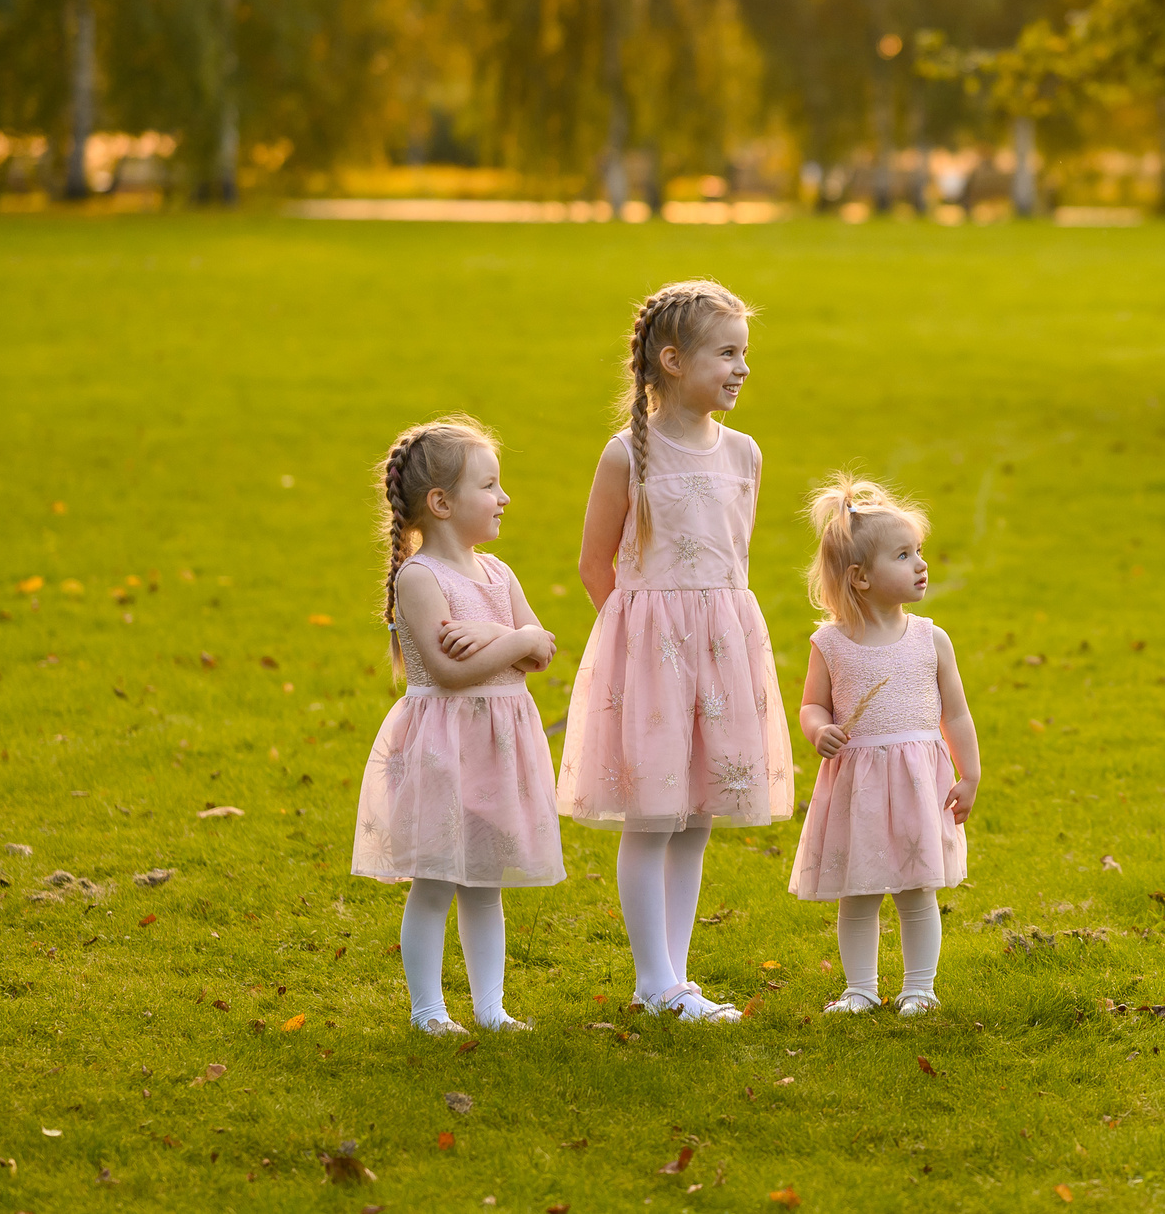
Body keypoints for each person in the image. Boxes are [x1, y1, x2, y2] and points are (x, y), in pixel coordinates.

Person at [555, 279, 795, 1024]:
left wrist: (712, 640)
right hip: (651, 658)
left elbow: (732, 562)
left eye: (744, 354)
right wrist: (640, 644)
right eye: (726, 354)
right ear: (671, 360)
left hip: (721, 652)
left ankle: (673, 980)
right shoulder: (628, 455)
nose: (741, 368)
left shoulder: (745, 454)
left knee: (696, 815)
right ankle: (653, 978)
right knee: (653, 815)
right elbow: (597, 566)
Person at [351, 415, 566, 1037]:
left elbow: (540, 648)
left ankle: (491, 1008)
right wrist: (518, 641)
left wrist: (504, 635)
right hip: (445, 744)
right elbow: (448, 672)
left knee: (483, 880)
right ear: (442, 504)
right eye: (490, 486)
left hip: (498, 743)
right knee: (438, 879)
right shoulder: (418, 578)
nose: (504, 498)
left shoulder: (499, 573)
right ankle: (428, 1011)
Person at [787, 477, 981, 1016]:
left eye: (918, 552)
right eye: (903, 555)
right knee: (860, 892)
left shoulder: (929, 638)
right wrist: (818, 729)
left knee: (917, 891)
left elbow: (956, 713)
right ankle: (861, 989)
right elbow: (812, 705)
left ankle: (920, 987)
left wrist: (969, 775)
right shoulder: (830, 643)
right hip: (860, 785)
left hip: (920, 781)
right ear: (861, 578)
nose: (920, 564)